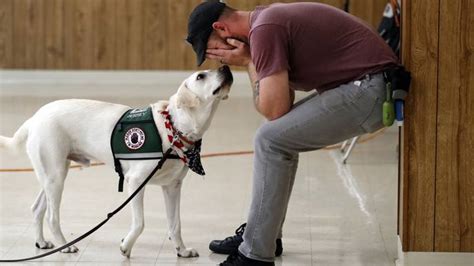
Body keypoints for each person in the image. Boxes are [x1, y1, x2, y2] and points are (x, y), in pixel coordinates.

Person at [186, 1, 398, 265]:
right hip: (369, 85)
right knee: (276, 136)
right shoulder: (264, 24)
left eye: (214, 49)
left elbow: (273, 109)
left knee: (269, 139)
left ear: (221, 28)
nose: (219, 58)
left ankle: (255, 255)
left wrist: (251, 61)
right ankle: (264, 236)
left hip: (371, 89)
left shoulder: (264, 30)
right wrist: (253, 61)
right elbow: (280, 105)